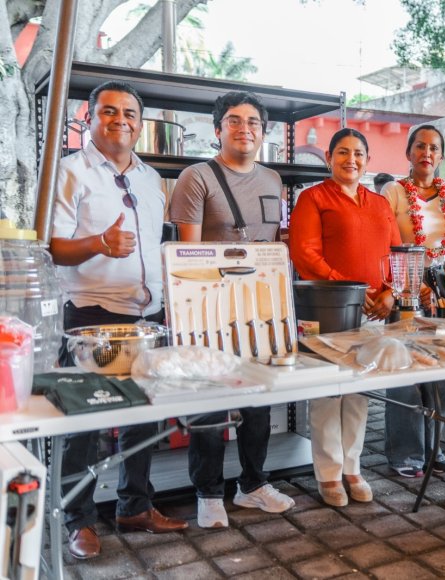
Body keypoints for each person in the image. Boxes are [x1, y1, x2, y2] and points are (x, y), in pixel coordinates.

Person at [50, 81, 188, 560]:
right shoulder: (70, 172)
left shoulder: (151, 178)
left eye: (130, 113)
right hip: (92, 315)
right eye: (109, 111)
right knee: (84, 422)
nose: (121, 120)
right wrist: (97, 244)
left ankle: (135, 505)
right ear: (89, 118)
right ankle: (79, 520)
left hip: (146, 313)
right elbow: (52, 247)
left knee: (143, 413)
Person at [169, 91, 295, 529]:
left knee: (258, 398)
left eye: (254, 122)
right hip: (207, 305)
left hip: (257, 305)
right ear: (218, 129)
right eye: (235, 121)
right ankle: (207, 491)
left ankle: (253, 485)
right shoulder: (196, 177)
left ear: (264, 131)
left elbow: (275, 242)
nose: (246, 129)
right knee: (209, 401)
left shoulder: (273, 180)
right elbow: (187, 254)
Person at [289, 128, 401, 505]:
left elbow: (396, 253)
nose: (350, 159)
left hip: (373, 311)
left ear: (368, 160)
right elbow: (304, 254)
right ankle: (328, 473)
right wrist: (353, 289)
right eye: (342, 152)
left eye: (358, 153)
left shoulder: (380, 203)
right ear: (328, 157)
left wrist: (388, 292)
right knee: (327, 392)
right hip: (327, 309)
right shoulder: (313, 198)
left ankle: (353, 466)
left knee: (358, 390)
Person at [382, 125, 445, 477]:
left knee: (440, 375)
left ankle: (435, 450)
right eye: (420, 146)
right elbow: (386, 242)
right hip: (405, 293)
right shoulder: (393, 191)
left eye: (434, 148)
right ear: (408, 152)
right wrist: (417, 284)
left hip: (443, 297)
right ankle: (405, 454)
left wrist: (442, 281)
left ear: (442, 156)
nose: (427, 153)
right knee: (405, 374)